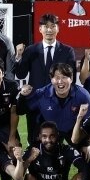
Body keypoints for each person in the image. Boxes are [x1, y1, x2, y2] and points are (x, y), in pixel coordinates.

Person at [13, 13, 76, 142]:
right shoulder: (31, 50)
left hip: (59, 103)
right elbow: (20, 74)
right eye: (45, 26)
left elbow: (71, 78)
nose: (49, 30)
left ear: (58, 29)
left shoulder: (67, 51)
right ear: (40, 29)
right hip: (36, 102)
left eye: (53, 26)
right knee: (34, 141)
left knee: (56, 140)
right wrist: (19, 56)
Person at [18, 62, 90, 146]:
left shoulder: (83, 96)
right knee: (38, 154)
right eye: (56, 78)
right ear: (51, 79)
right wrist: (22, 96)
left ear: (71, 79)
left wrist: (86, 144)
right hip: (51, 132)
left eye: (64, 77)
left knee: (86, 154)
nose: (60, 81)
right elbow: (21, 111)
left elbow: (88, 122)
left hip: (72, 130)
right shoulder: (41, 94)